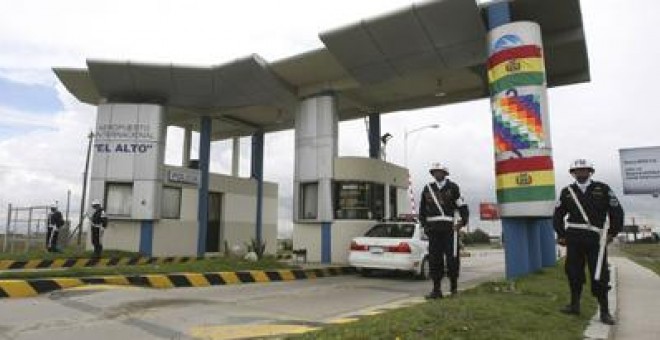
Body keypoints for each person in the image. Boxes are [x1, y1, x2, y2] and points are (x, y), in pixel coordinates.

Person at [553, 159, 624, 325]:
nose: (581, 173)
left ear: (590, 172)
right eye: (578, 171)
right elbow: (557, 215)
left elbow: (616, 211)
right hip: (574, 237)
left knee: (599, 274)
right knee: (573, 272)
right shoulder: (567, 191)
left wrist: (613, 232)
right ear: (573, 173)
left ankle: (605, 312)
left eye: (584, 170)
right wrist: (561, 234)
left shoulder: (603, 188)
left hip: (596, 239)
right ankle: (574, 305)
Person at [419, 163, 469, 299]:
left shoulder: (453, 187)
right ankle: (436, 290)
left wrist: (463, 221)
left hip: (450, 229)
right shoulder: (427, 188)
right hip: (433, 230)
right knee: (435, 260)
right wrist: (424, 225)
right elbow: (422, 210)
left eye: (440, 172)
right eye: (435, 172)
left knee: (452, 259)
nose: (437, 174)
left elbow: (462, 205)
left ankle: (453, 289)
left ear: (445, 173)